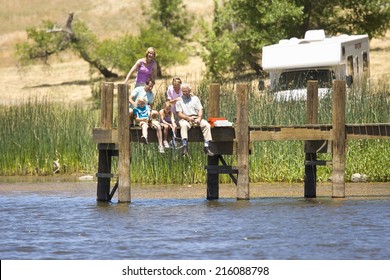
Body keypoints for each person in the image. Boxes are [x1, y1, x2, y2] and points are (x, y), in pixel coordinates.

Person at [175, 83, 214, 156]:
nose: (185, 93)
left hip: (196, 117)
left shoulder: (195, 98)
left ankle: (206, 146)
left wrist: (199, 118)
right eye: (183, 91)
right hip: (185, 118)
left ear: (189, 91)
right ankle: (184, 146)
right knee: (183, 125)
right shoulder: (179, 101)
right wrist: (188, 118)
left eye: (186, 91)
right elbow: (179, 113)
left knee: (206, 125)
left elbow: (200, 109)